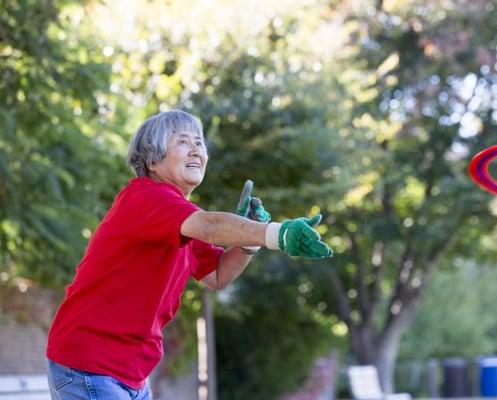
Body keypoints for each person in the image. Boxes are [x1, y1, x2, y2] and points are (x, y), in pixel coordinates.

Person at [46, 109, 333, 400]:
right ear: (153, 159)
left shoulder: (180, 218)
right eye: (183, 141)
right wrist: (277, 233)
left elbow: (218, 275)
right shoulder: (145, 197)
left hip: (128, 373)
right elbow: (209, 226)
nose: (196, 148)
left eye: (199, 142)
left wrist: (251, 241)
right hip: (88, 363)